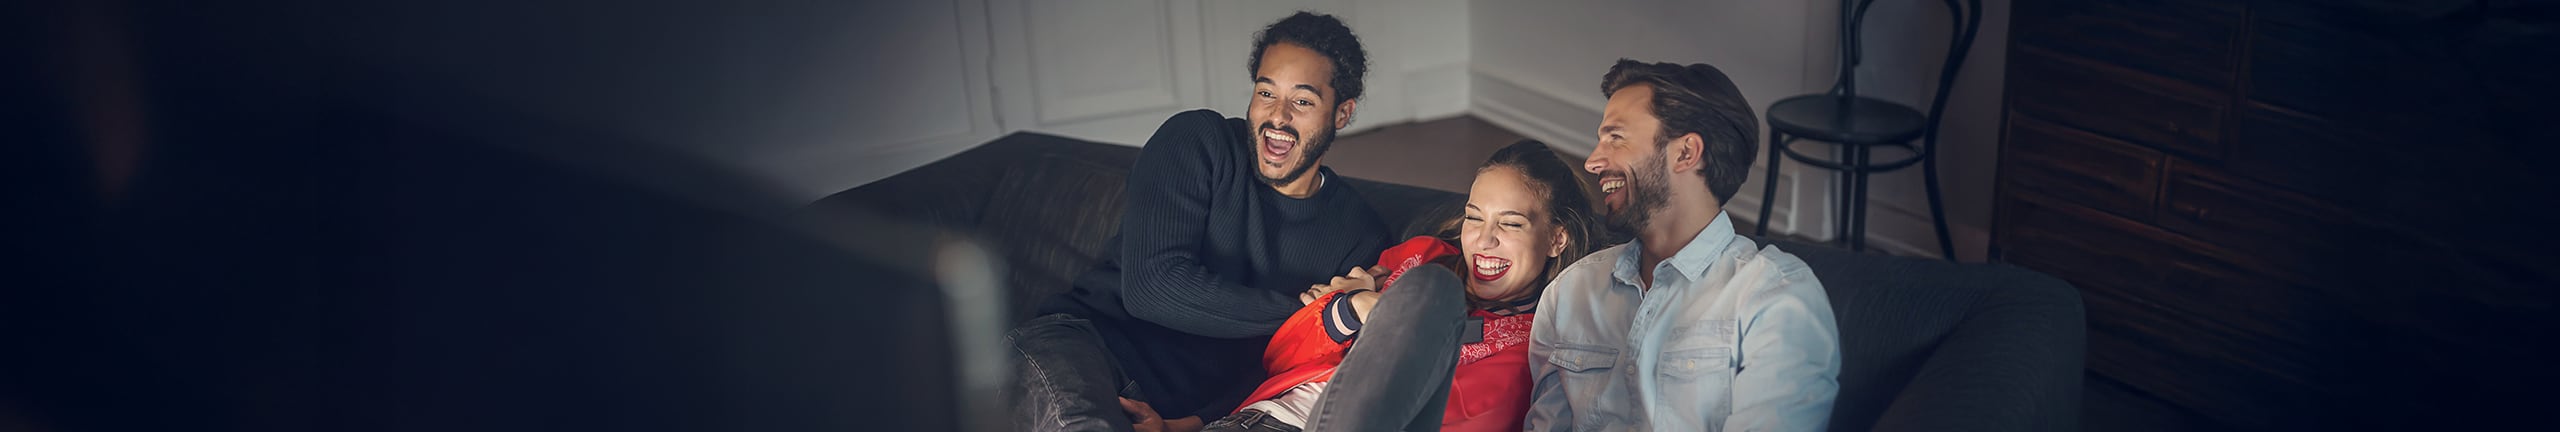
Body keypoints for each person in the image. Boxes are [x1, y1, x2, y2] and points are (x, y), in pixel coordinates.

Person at [1002, 12, 1392, 432]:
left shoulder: (1357, 234)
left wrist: (1187, 423)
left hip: (1171, 407)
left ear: (1341, 113)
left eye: (1302, 101)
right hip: (1084, 346)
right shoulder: (1198, 140)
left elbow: (1290, 366)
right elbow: (1151, 288)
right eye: (1266, 92)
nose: (1277, 117)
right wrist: (1318, 314)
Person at [1149, 140, 1601, 432]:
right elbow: (1281, 358)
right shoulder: (1421, 257)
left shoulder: (1539, 342)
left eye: (1511, 223)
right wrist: (1354, 307)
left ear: (1556, 238)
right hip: (1260, 420)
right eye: (1473, 217)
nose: (1483, 240)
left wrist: (1394, 329)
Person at [1525, 59, 1843, 431]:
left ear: (1686, 153)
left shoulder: (1774, 299)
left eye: (1616, 138)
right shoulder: (1570, 292)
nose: (1593, 162)